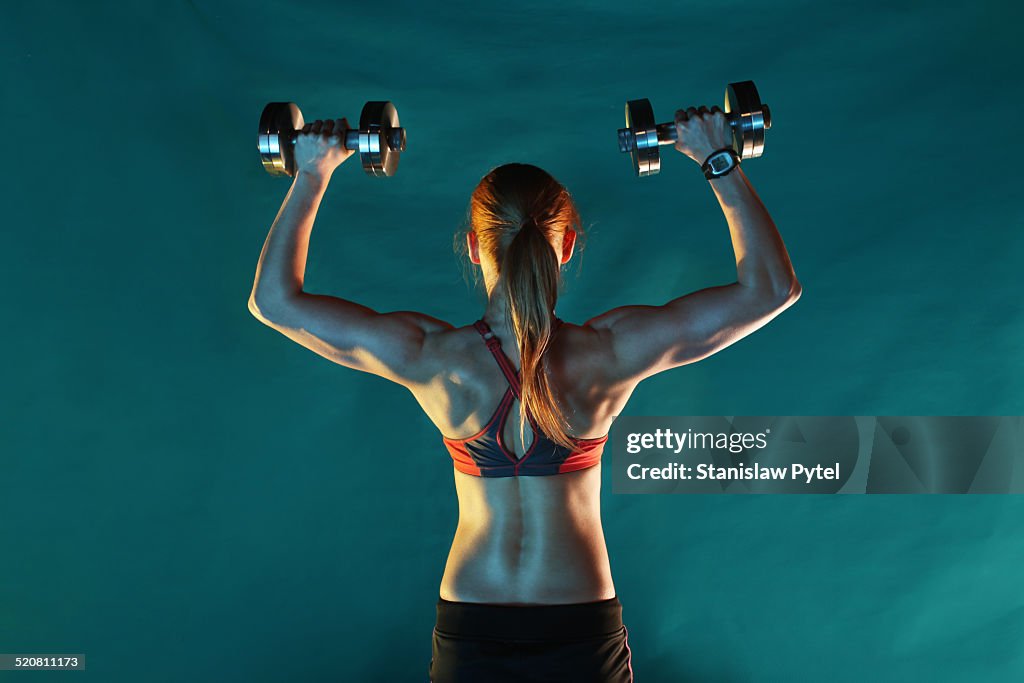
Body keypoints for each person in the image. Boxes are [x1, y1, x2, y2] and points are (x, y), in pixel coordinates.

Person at [248, 104, 801, 682]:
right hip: (579, 629)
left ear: (472, 246)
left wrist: (311, 174)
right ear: (566, 246)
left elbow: (274, 303)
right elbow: (770, 288)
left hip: (472, 630)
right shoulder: (610, 353)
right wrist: (718, 159)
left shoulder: (430, 356)